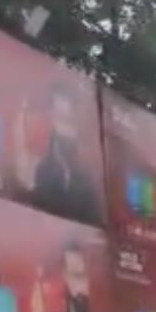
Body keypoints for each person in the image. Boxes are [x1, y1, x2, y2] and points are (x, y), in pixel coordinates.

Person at [16, 84, 102, 225]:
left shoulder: (85, 177)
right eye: (57, 118)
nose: (62, 129)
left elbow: (93, 218)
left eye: (67, 121)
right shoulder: (40, 164)